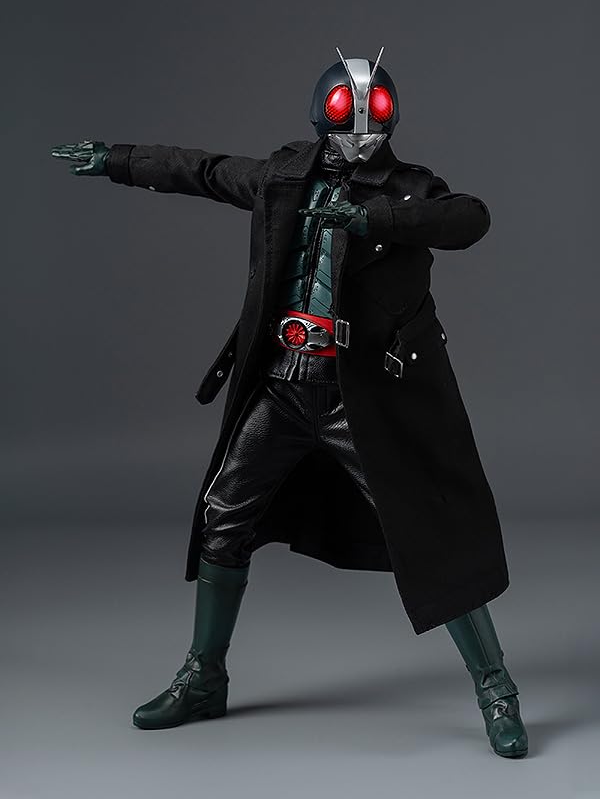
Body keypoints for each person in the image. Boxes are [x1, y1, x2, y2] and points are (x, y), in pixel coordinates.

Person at [51, 47, 528, 757]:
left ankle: (497, 689)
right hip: (282, 383)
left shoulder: (410, 191)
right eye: (346, 115)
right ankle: (205, 677)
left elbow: (469, 219)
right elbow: (203, 170)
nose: (360, 130)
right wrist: (117, 159)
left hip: (360, 397)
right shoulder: (283, 178)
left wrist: (374, 219)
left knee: (430, 535)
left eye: (373, 116)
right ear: (321, 113)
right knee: (222, 516)